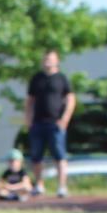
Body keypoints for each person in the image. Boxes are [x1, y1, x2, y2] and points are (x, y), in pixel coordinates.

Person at [25, 49, 76, 199]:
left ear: (56, 61)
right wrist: (28, 119)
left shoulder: (62, 79)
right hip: (38, 123)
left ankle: (62, 187)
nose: (47, 61)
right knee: (36, 156)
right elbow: (29, 101)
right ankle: (39, 185)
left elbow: (71, 99)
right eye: (46, 58)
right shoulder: (37, 79)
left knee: (59, 155)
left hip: (55, 124)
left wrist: (65, 118)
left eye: (51, 59)